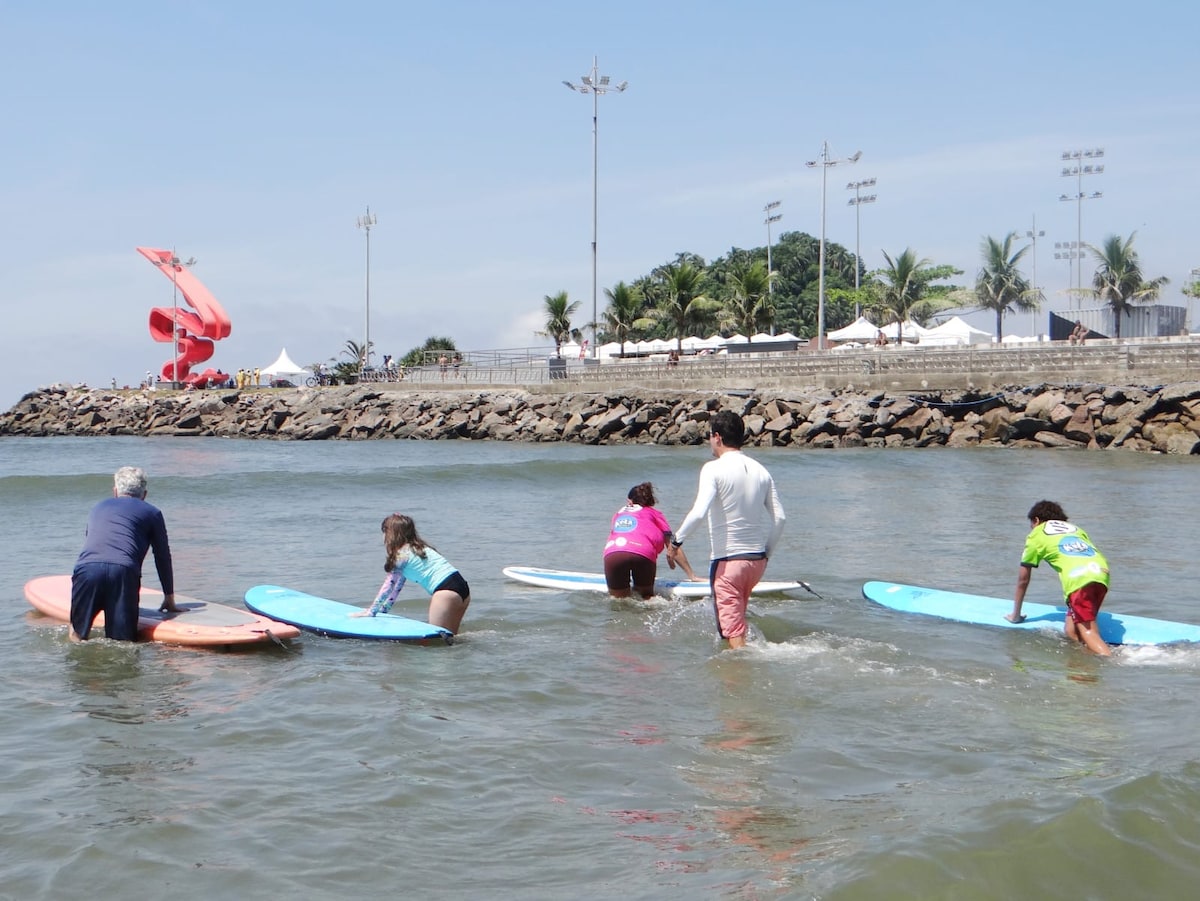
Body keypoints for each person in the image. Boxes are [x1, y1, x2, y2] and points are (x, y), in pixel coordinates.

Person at [667, 410, 786, 649]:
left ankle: (738, 680)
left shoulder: (713, 468)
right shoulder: (762, 470)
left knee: (732, 637)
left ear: (718, 437)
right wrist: (766, 555)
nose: (710, 442)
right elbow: (781, 518)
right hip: (755, 562)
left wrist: (676, 542)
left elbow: (699, 512)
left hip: (728, 563)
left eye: (710, 437)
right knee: (736, 623)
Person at [69, 466, 178, 642]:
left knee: (77, 634)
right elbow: (162, 556)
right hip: (123, 571)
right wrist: (169, 598)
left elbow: (91, 540)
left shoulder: (98, 507)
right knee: (122, 643)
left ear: (115, 491)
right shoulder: (153, 513)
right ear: (144, 494)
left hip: (87, 569)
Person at [1006, 500, 1112, 655]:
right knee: (1070, 631)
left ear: (1036, 520)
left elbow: (1023, 579)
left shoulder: (1036, 534)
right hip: (1102, 573)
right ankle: (1083, 668)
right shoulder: (1076, 529)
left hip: (1079, 580)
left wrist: (1015, 615)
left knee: (1089, 632)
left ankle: (1113, 660)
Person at [350, 514, 470, 634]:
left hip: (446, 592)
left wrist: (371, 612)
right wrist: (382, 611)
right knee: (452, 639)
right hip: (463, 589)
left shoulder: (401, 554)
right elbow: (397, 587)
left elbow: (388, 586)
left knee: (438, 640)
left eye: (384, 531)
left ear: (390, 534)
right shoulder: (421, 548)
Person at [604, 482, 697, 599]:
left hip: (615, 552)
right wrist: (691, 575)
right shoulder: (655, 514)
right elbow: (672, 544)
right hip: (643, 553)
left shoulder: (618, 514)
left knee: (619, 601)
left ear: (629, 502)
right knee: (646, 599)